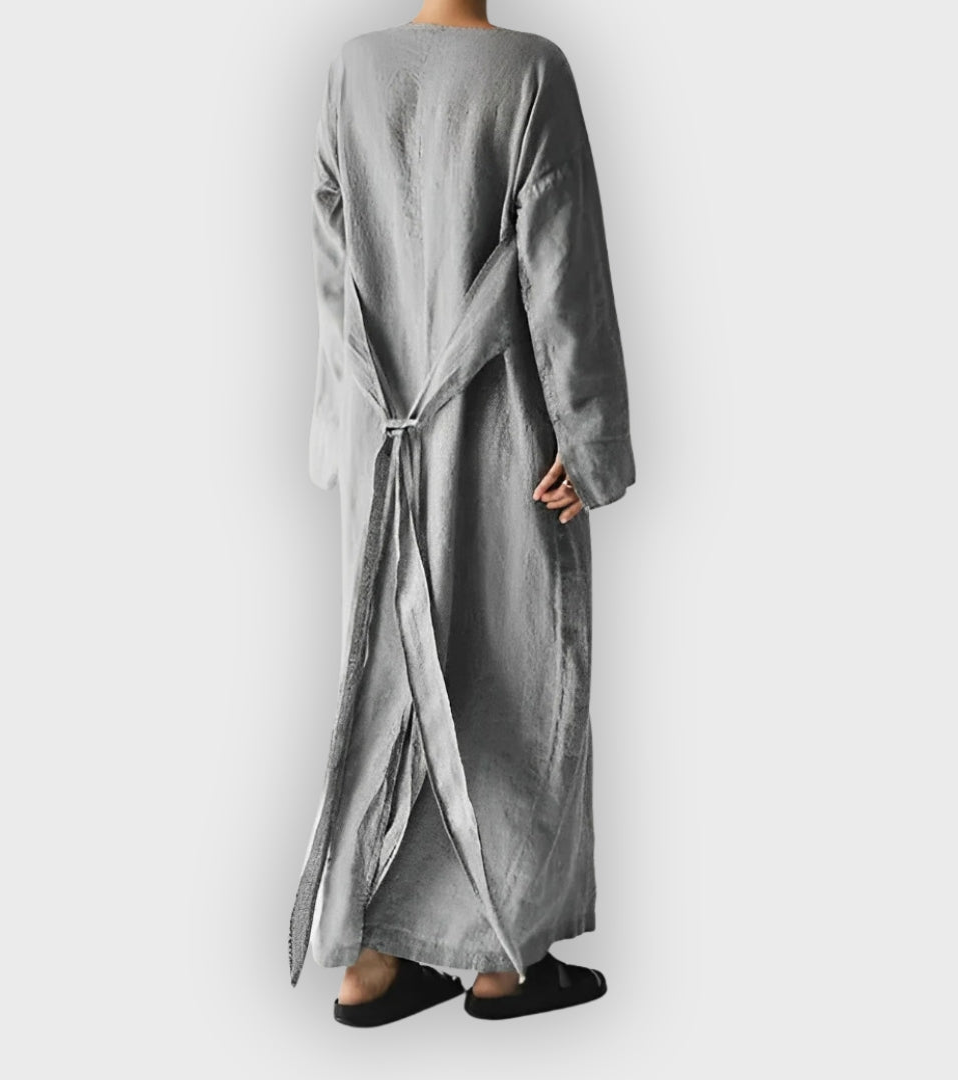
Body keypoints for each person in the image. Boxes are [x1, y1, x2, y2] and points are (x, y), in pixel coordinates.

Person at [288, 0, 636, 1025]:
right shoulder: (529, 72)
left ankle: (371, 961)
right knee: (513, 666)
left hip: (383, 430)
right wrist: (590, 440)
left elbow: (332, 265)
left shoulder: (352, 69)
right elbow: (562, 270)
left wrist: (338, 421)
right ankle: (499, 961)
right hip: (498, 430)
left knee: (391, 673)